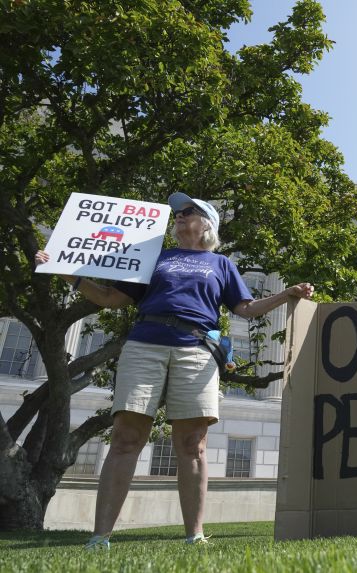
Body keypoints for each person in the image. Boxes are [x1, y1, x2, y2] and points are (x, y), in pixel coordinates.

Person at [35, 192, 314, 549]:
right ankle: (100, 537)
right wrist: (65, 273)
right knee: (125, 437)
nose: (179, 216)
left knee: (192, 444)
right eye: (178, 213)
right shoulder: (155, 258)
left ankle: (194, 535)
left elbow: (245, 308)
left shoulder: (221, 264)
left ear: (206, 224)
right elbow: (109, 297)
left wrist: (286, 294)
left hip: (195, 351)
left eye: (188, 212)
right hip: (144, 345)